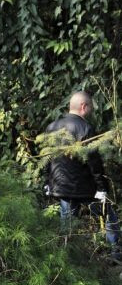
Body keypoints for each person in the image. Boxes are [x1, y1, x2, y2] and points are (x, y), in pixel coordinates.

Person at [45, 91, 120, 260]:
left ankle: (67, 259)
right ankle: (115, 253)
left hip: (61, 187)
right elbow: (94, 162)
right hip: (86, 190)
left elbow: (47, 159)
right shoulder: (86, 128)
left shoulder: (52, 127)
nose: (92, 111)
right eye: (91, 108)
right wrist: (102, 188)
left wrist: (47, 182)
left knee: (67, 226)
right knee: (109, 215)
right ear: (84, 107)